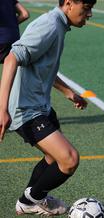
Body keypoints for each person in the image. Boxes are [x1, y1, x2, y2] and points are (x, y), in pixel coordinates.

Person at [0, 0, 96, 215]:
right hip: (26, 110)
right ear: (69, 3)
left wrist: (68, 92)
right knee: (69, 159)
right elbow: (11, 58)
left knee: (52, 158)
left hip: (39, 106)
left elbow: (40, 64)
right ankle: (33, 198)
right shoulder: (50, 25)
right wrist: (2, 109)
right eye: (87, 7)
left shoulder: (58, 25)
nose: (89, 13)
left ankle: (29, 200)